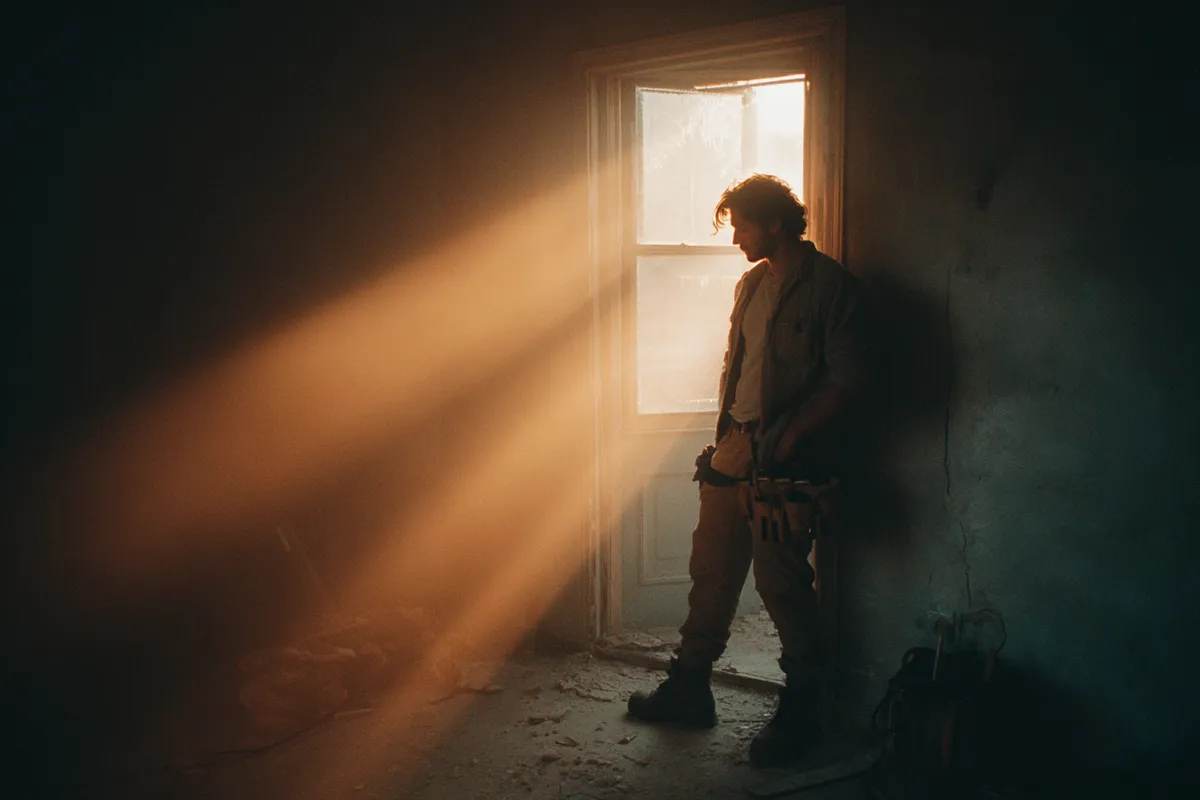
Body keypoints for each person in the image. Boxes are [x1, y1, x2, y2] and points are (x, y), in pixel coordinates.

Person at [626, 174, 874, 768]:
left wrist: (791, 435)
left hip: (786, 459)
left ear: (775, 224)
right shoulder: (751, 283)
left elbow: (851, 379)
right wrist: (720, 448)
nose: (735, 236)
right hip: (735, 449)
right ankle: (690, 687)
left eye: (741, 224)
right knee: (711, 570)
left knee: (781, 582)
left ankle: (805, 706)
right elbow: (739, 368)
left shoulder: (832, 289)